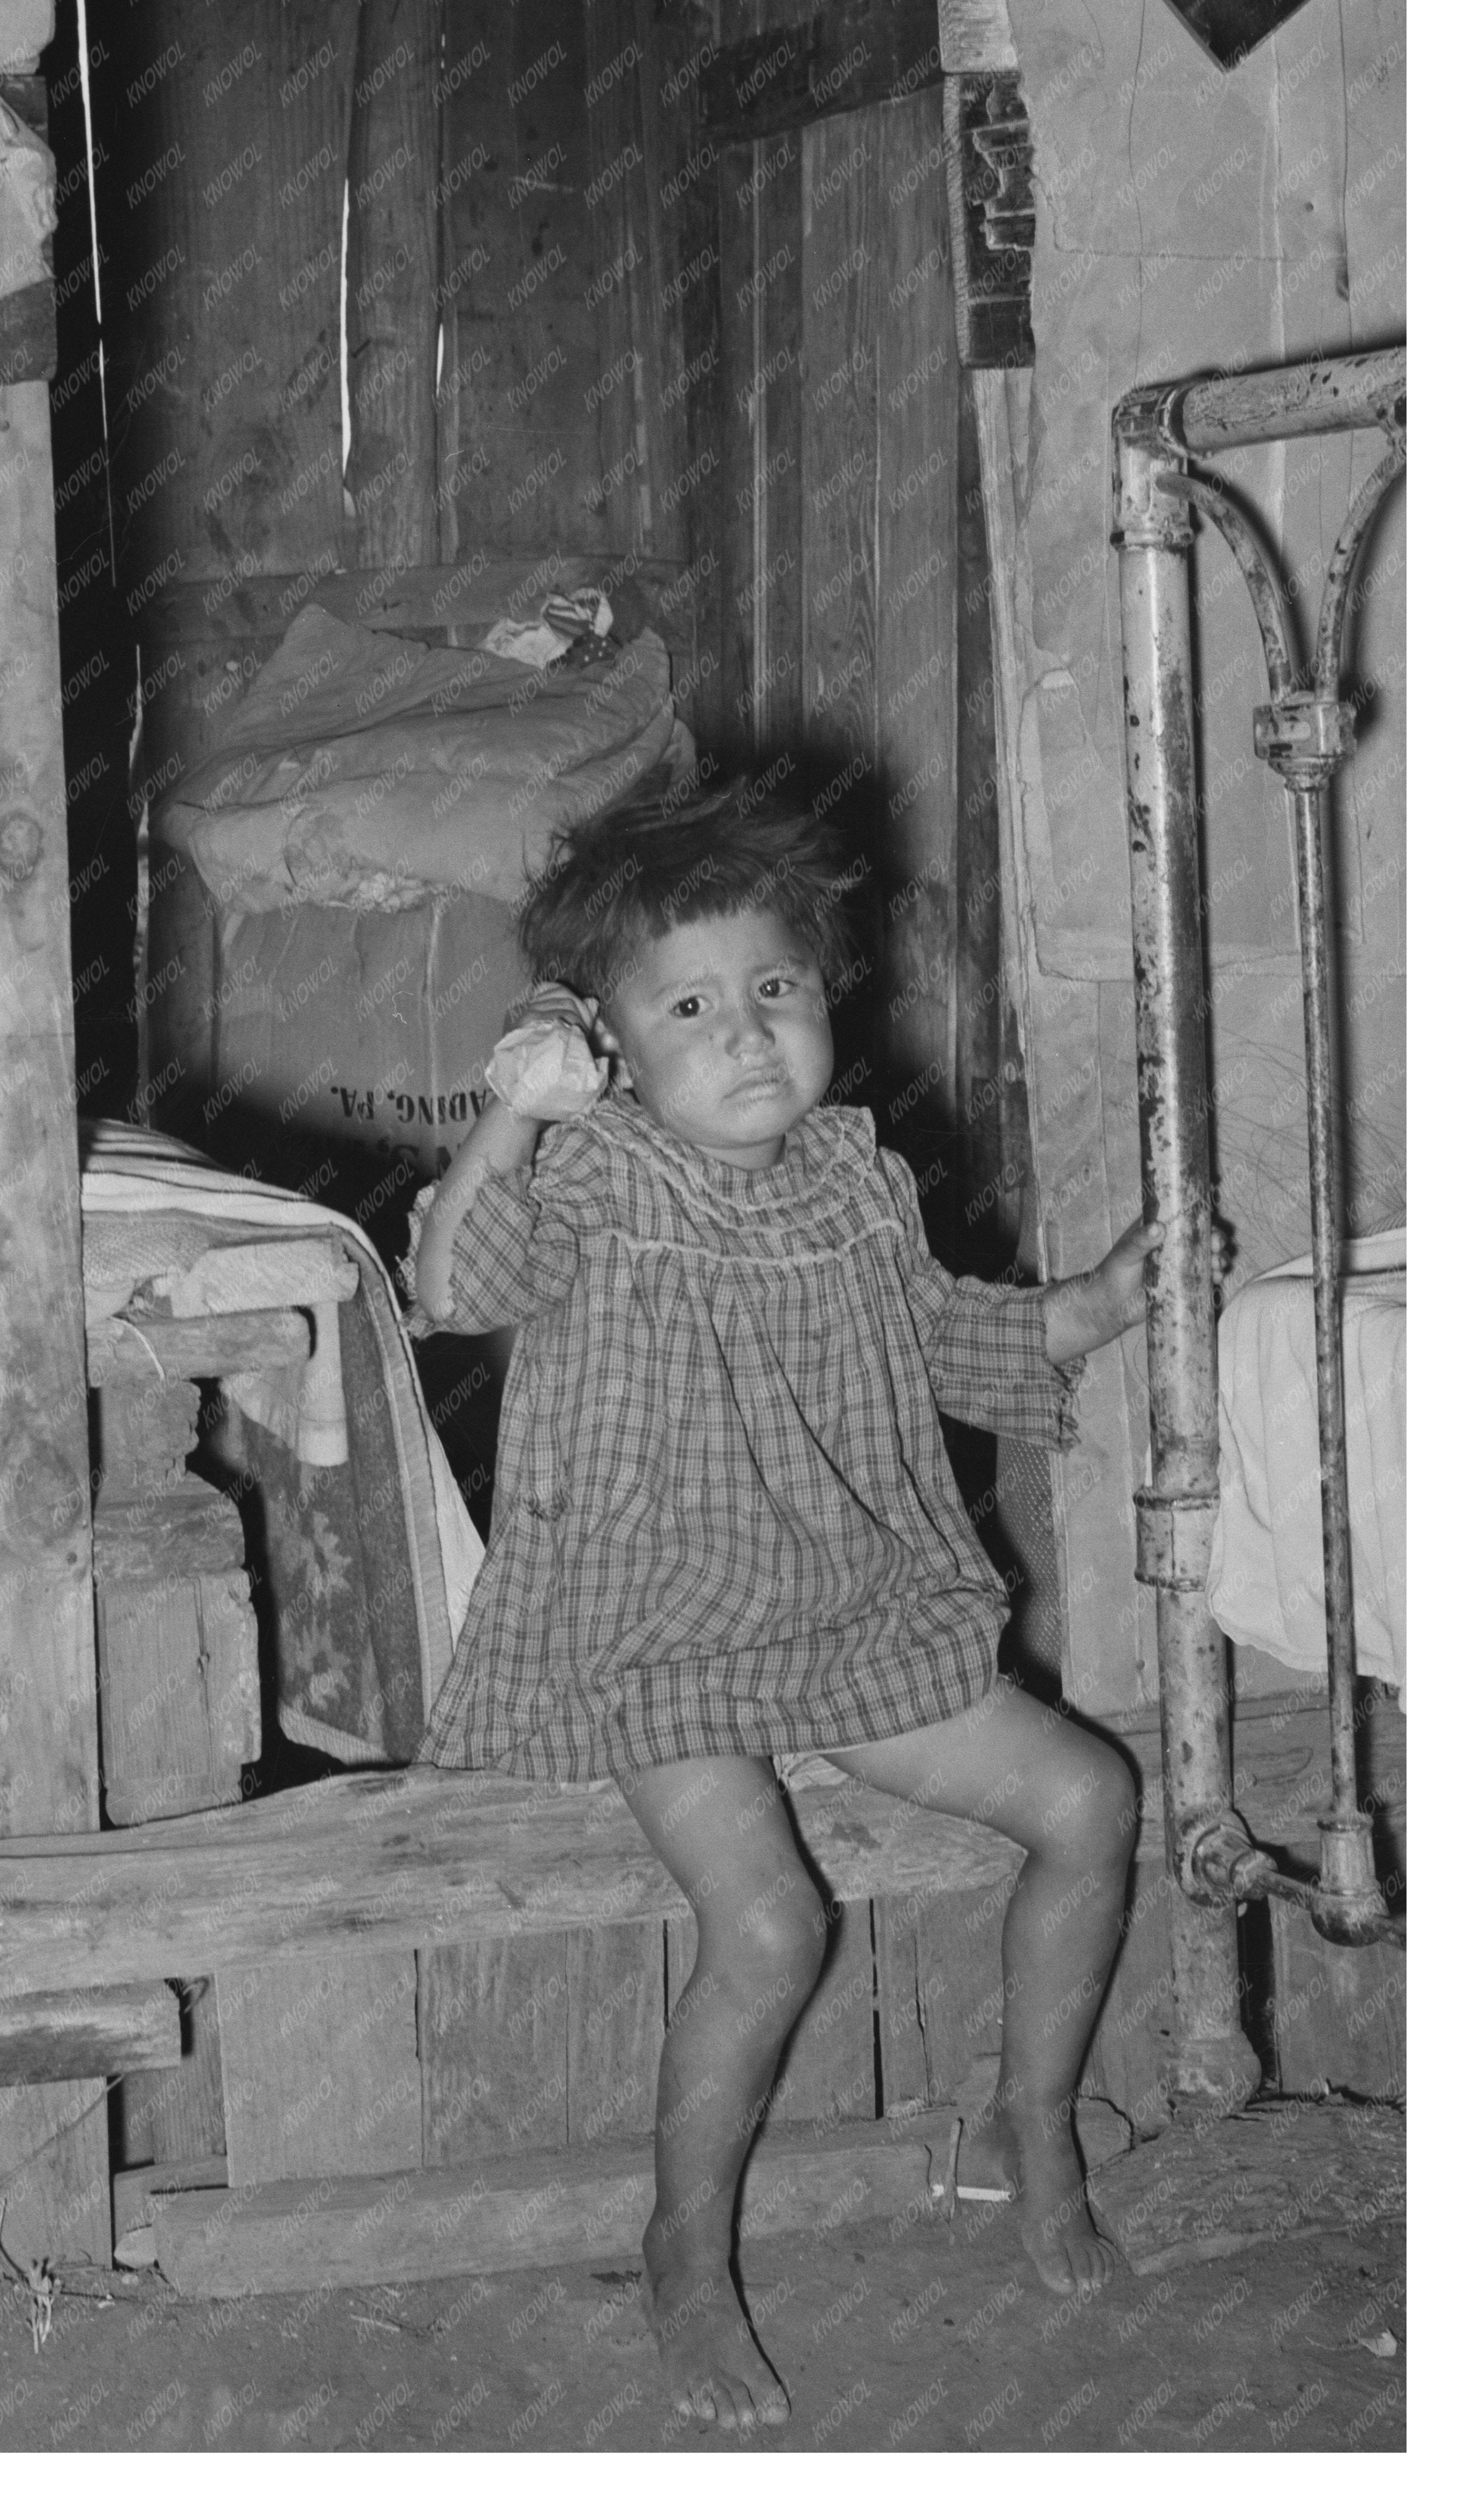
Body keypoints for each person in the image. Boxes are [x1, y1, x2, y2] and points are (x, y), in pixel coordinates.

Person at [405, 777, 1147, 2432]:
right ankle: (683, 2246)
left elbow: (946, 1338)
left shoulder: (854, 1179)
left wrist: (1097, 1303)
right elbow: (455, 1290)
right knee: (767, 1926)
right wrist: (512, 1120)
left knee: (1088, 1799)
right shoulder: (592, 1172)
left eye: (777, 989)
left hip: (847, 1604)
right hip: (657, 1620)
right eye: (686, 1006)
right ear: (598, 1040)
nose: (745, 1034)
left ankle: (1033, 2122)